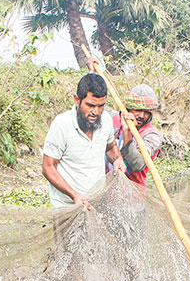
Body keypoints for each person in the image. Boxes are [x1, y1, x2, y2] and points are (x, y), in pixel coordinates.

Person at [42, 73, 127, 209]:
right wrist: (74, 194)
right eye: (90, 105)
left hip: (98, 202)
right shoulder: (61, 125)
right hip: (68, 207)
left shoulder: (105, 120)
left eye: (101, 106)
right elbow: (48, 167)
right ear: (77, 100)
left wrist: (118, 159)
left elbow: (110, 148)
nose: (96, 112)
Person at [112, 84, 162, 187]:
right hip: (106, 189)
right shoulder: (113, 119)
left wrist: (127, 132)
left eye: (146, 112)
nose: (142, 115)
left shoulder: (151, 135)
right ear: (129, 107)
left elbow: (137, 164)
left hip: (133, 195)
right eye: (138, 110)